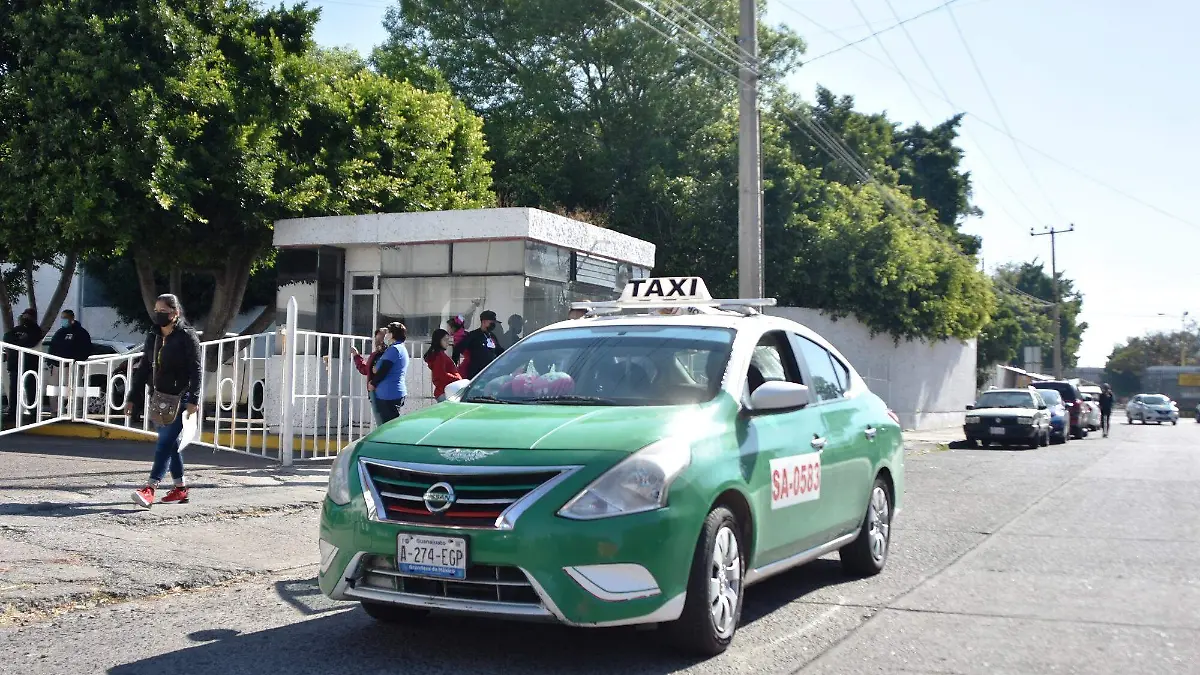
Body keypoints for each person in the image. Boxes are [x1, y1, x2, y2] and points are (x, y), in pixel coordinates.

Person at [126, 294, 202, 509]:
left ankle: (150, 488)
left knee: (164, 443)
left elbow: (196, 369)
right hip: (159, 398)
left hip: (181, 397)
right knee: (171, 445)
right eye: (156, 311)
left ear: (175, 313)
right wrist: (133, 397)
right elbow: (143, 368)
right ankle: (180, 488)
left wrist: (193, 399)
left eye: (163, 311)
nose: (159, 315)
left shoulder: (187, 336)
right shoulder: (154, 337)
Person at [3, 308, 42, 426]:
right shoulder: (16, 330)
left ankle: (33, 414)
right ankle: (12, 413)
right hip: (15, 365)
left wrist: (17, 343)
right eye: (24, 315)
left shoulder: (35, 330)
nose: (24, 317)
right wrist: (18, 342)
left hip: (29, 365)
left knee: (31, 391)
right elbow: (7, 338)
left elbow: (30, 342)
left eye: (27, 316)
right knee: (14, 391)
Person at [370, 322, 409, 423]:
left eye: (387, 332)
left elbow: (382, 369)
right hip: (392, 392)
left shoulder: (394, 349)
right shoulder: (400, 348)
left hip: (388, 395)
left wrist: (373, 383)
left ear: (392, 335)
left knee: (386, 426)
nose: (385, 336)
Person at [350, 327, 387, 425]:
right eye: (377, 339)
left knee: (383, 422)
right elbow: (366, 370)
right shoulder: (376, 354)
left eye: (381, 339)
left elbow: (369, 370)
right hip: (376, 391)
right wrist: (357, 356)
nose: (378, 342)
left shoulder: (388, 354)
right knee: (382, 421)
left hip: (380, 391)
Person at [454, 310, 505, 379]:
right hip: (476, 375)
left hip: (490, 374)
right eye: (491, 322)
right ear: (484, 322)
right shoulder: (473, 335)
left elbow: (499, 351)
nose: (493, 325)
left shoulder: (492, 336)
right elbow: (458, 348)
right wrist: (454, 366)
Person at [423, 328, 462, 402]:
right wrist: (457, 378)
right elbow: (441, 375)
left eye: (448, 339)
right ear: (438, 340)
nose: (447, 342)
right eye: (445, 340)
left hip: (445, 391)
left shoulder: (439, 354)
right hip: (445, 392)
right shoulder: (439, 356)